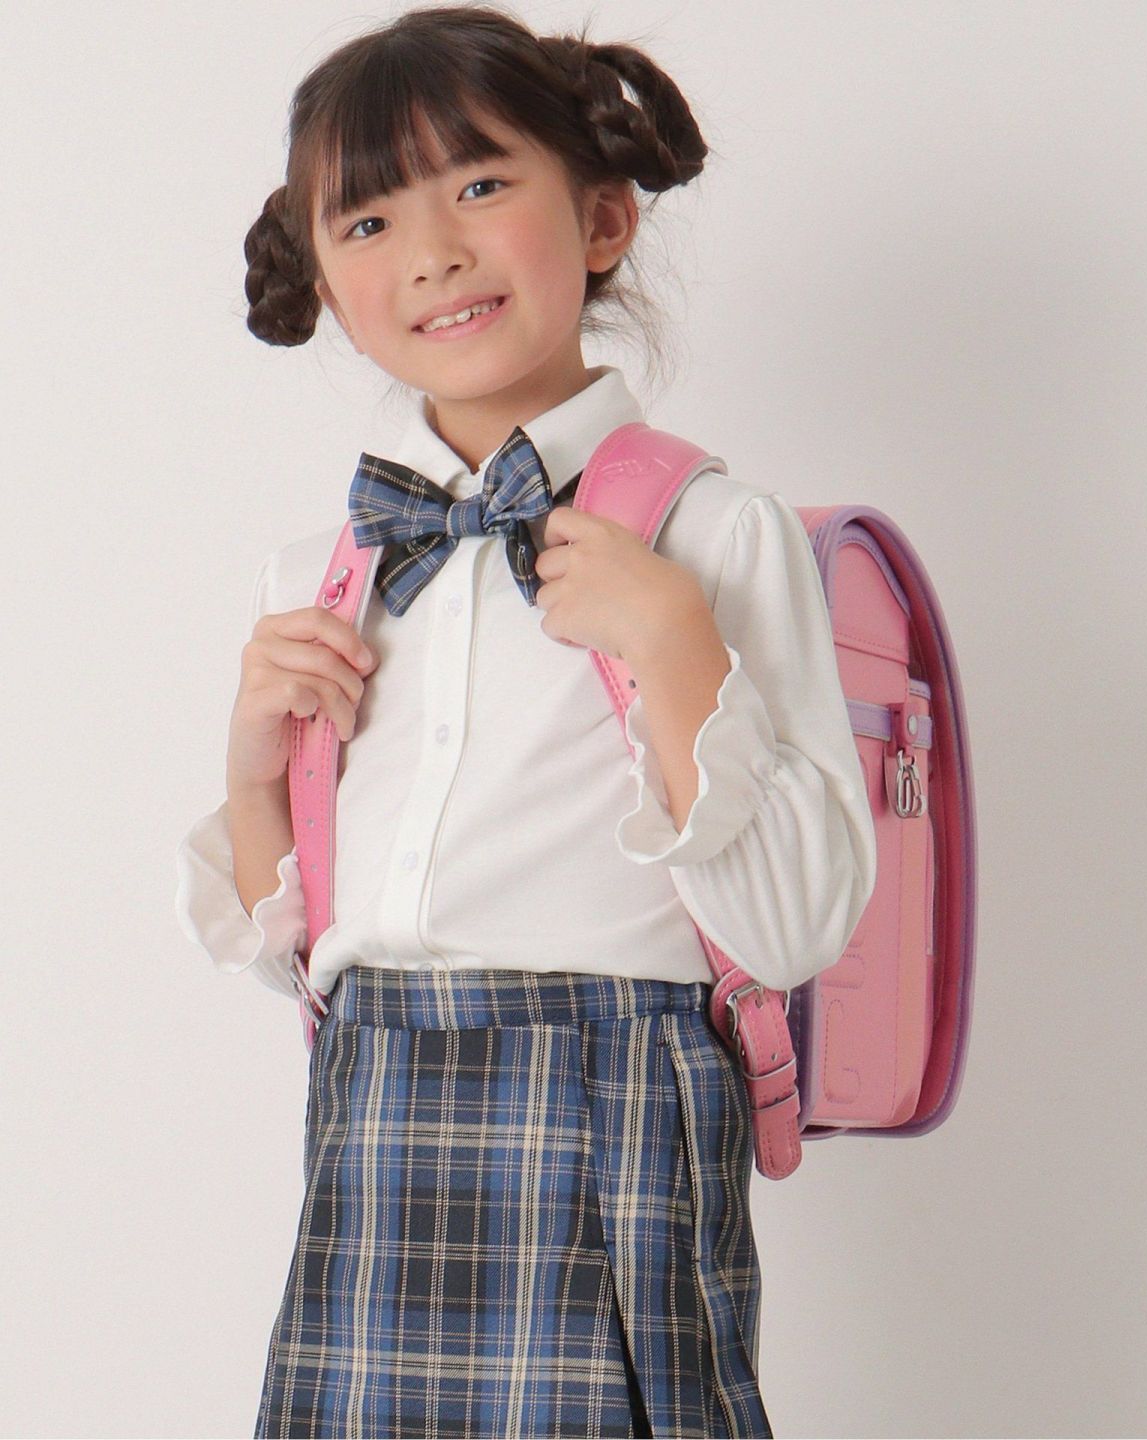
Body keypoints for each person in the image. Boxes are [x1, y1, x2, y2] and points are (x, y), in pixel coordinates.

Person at [174, 6, 877, 1437]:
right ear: (324, 276)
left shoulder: (714, 536)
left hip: (608, 1097)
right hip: (375, 1105)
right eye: (369, 221)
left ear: (604, 217)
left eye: (482, 184)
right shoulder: (321, 578)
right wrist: (255, 781)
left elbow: (798, 927)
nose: (432, 251)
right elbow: (308, 964)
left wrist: (675, 644)